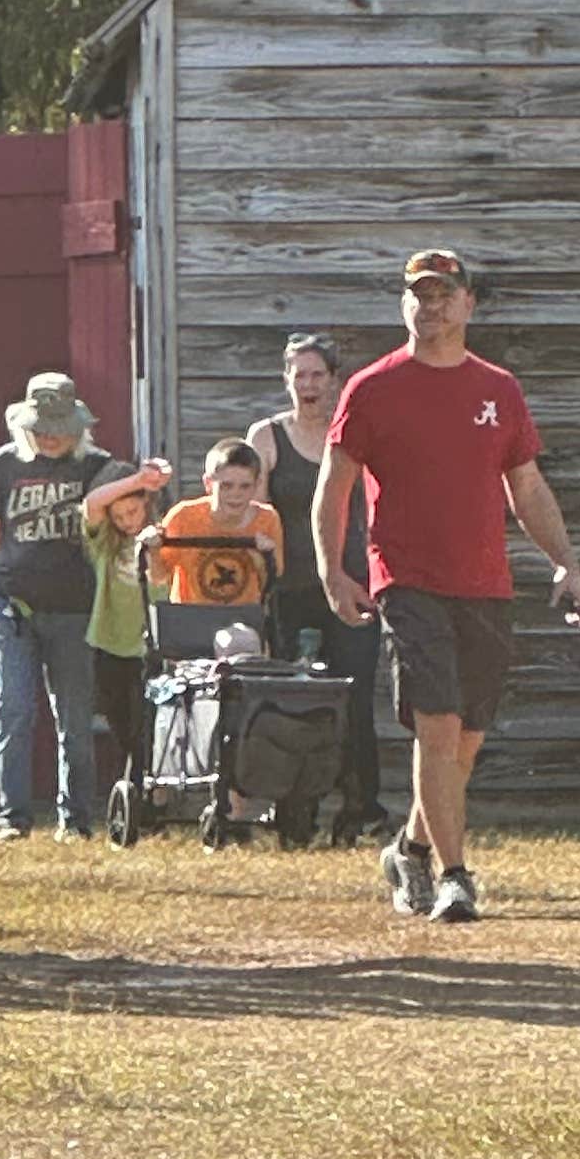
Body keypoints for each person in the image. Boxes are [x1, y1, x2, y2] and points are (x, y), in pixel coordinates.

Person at [315, 247, 580, 927]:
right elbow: (334, 487)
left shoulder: (499, 389)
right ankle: (456, 877)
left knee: (466, 738)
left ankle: (409, 847)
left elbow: (525, 487)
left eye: (444, 294)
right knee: (436, 727)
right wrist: (331, 569)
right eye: (419, 294)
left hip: (485, 584)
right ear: (404, 304)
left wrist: (566, 563)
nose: (430, 305)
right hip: (407, 581)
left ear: (469, 305)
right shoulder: (373, 388)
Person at [0, 373, 154, 839]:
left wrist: (150, 477)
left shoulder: (97, 466)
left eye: (59, 427)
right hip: (12, 602)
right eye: (42, 427)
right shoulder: (2, 465)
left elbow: (133, 508)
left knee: (74, 717)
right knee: (12, 708)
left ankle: (76, 819)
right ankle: (14, 818)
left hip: (76, 606)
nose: (50, 436)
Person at [250, 331, 385, 837]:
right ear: (287, 380)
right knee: (287, 701)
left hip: (352, 585)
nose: (307, 385)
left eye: (317, 375)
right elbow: (255, 520)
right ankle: (292, 811)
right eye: (298, 375)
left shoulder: (352, 433)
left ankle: (361, 809)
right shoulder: (267, 437)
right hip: (289, 589)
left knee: (354, 697)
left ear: (334, 381)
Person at [84, 456, 171, 792]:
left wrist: (154, 551)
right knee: (119, 723)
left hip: (148, 646)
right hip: (109, 642)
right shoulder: (105, 544)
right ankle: (133, 792)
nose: (126, 522)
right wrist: (138, 481)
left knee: (144, 725)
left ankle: (142, 797)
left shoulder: (162, 537)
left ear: (146, 506)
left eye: (132, 512)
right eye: (118, 516)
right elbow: (93, 502)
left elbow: (163, 583)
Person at [141, 435, 285, 622]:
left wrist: (259, 555)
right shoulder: (184, 517)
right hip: (191, 618)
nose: (236, 495)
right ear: (208, 484)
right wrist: (153, 550)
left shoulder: (266, 520)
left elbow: (272, 579)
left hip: (242, 618)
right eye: (226, 486)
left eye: (244, 486)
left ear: (257, 485)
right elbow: (158, 577)